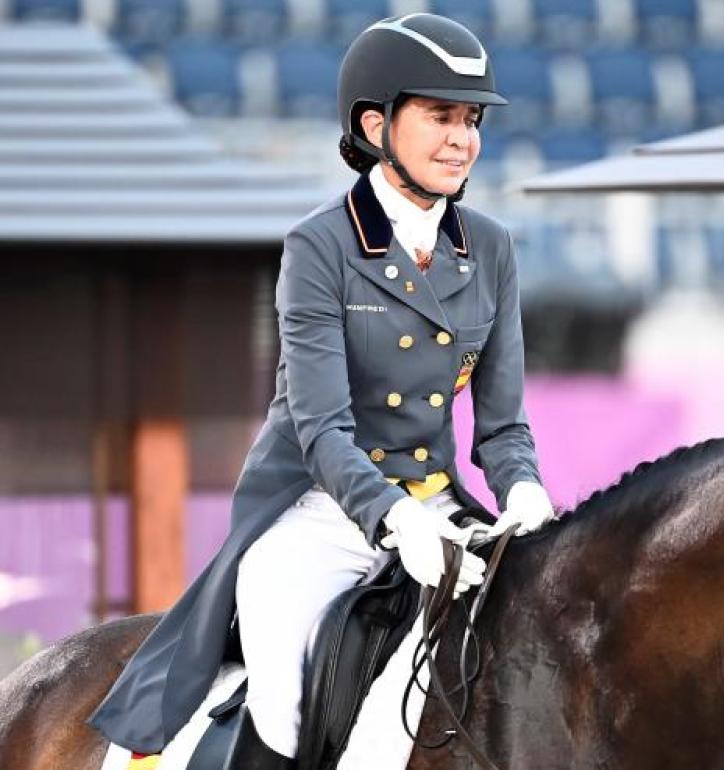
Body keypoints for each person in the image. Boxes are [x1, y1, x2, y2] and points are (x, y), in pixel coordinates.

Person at [88, 13, 554, 769]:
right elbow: (322, 430)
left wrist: (524, 488)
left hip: (439, 505)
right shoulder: (321, 245)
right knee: (286, 694)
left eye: (471, 120)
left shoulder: (491, 248)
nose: (462, 139)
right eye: (440, 116)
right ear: (376, 125)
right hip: (323, 508)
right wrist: (395, 520)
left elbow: (501, 426)